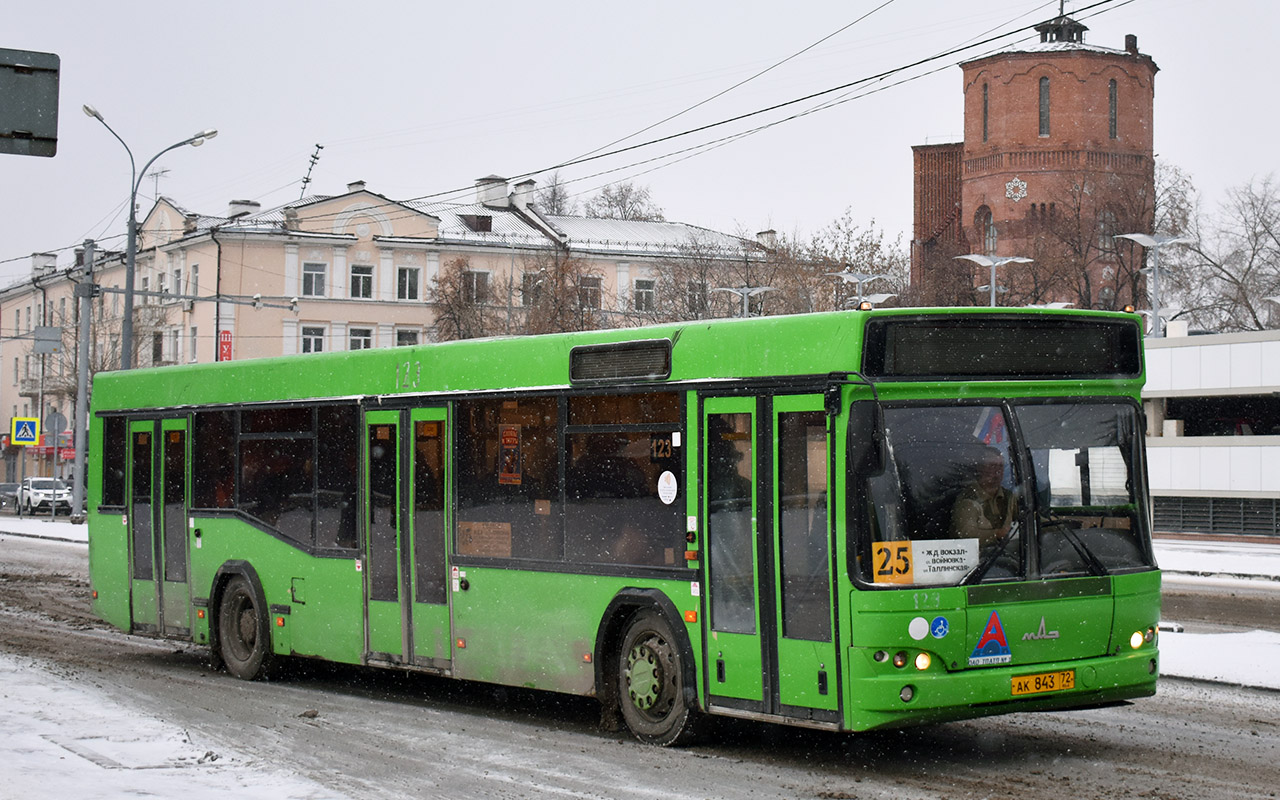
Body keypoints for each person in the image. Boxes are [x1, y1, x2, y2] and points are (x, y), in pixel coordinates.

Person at [950, 445, 1017, 548]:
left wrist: (1048, 522)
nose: (998, 471)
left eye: (1000, 466)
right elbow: (965, 535)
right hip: (977, 560)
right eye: (992, 466)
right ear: (980, 468)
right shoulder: (968, 499)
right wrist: (998, 534)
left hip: (1008, 557)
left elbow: (1028, 516)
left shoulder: (1008, 497)